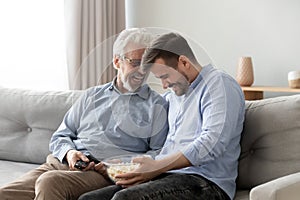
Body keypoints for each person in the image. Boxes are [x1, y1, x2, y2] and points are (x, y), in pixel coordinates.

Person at [0, 28, 168, 200]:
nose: (142, 70)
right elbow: (61, 136)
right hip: (62, 163)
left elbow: (159, 153)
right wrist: (70, 153)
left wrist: (121, 164)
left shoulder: (157, 105)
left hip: (102, 174)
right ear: (117, 62)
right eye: (135, 62)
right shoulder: (91, 96)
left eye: (147, 64)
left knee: (49, 182)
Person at [79, 32, 245, 200]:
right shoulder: (174, 96)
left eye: (165, 76)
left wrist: (158, 166)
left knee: (125, 199)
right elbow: (159, 146)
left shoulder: (219, 84)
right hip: (169, 176)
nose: (164, 86)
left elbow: (212, 143)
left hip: (206, 182)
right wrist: (128, 163)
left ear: (184, 62)